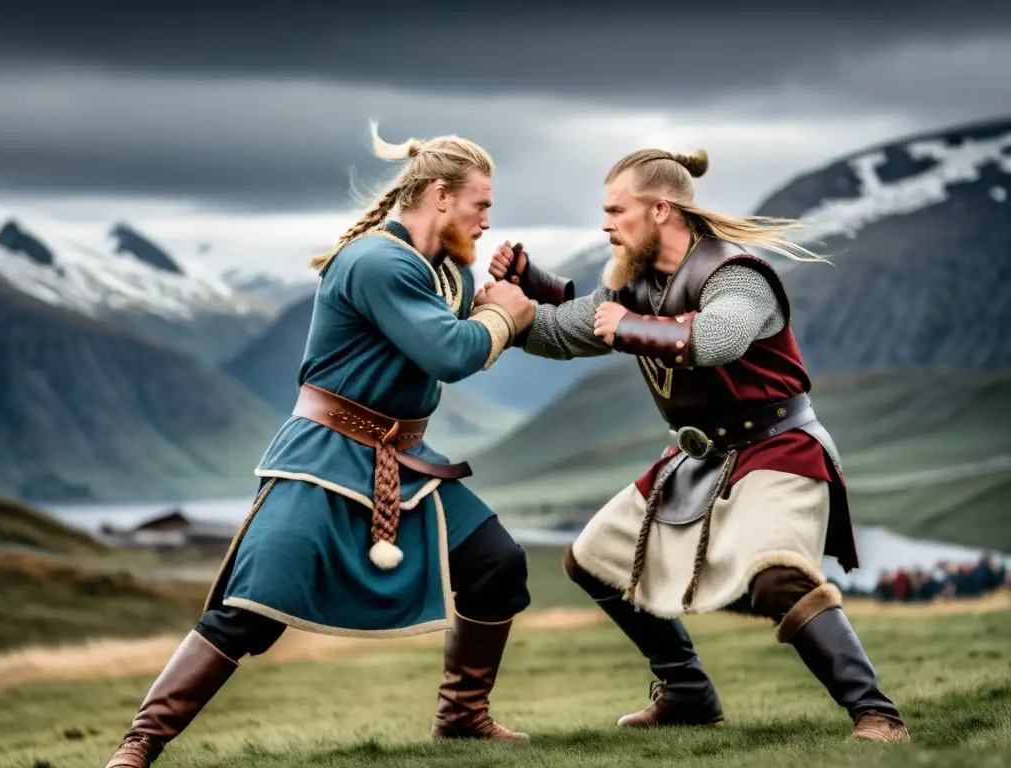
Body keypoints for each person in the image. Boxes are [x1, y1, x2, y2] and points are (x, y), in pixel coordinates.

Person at [105, 123, 538, 768]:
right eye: (482, 206)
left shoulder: (434, 268)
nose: (485, 222)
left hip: (402, 464)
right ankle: (139, 746)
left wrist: (486, 301)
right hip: (324, 458)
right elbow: (451, 353)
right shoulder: (378, 261)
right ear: (442, 196)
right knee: (250, 609)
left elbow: (445, 336)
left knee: (496, 564)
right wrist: (505, 313)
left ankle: (462, 719)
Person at [481, 147, 910, 743]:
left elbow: (719, 337)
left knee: (778, 578)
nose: (606, 224)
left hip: (777, 448)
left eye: (616, 210)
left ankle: (877, 714)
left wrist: (627, 328)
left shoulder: (736, 272)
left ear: (661, 210)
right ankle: (686, 692)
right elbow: (562, 330)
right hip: (699, 457)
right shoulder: (637, 286)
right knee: (592, 561)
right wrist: (505, 310)